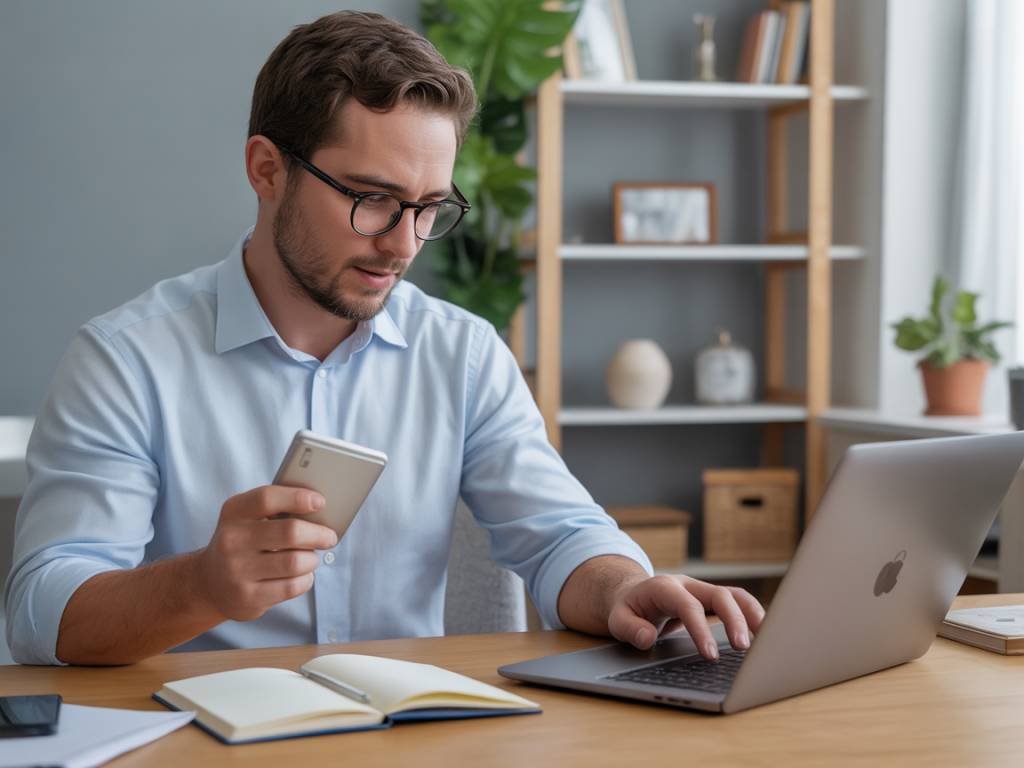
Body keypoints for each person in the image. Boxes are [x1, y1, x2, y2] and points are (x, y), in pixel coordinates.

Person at [5, 11, 763, 666]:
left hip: (413, 738)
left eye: (429, 207)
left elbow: (560, 532)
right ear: (267, 170)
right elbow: (43, 611)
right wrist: (200, 584)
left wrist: (626, 585)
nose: (404, 244)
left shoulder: (462, 355)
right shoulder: (127, 361)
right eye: (372, 200)